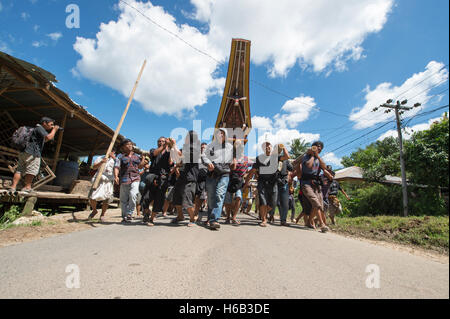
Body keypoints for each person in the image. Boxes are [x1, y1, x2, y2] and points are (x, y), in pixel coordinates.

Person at [244, 142, 290, 227]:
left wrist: (283, 147)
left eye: (269, 145)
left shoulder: (276, 157)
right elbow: (253, 171)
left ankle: (264, 213)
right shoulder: (259, 158)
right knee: (263, 201)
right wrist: (246, 182)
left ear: (271, 147)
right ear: (263, 149)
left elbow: (287, 157)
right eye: (265, 146)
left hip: (273, 183)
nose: (267, 147)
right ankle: (264, 220)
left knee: (273, 204)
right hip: (262, 182)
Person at [10, 117, 60, 193]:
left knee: (19, 170)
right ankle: (27, 187)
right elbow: (49, 137)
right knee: (31, 170)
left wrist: (51, 132)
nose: (52, 126)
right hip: (33, 153)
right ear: (44, 123)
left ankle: (13, 187)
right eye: (51, 124)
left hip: (24, 152)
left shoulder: (36, 129)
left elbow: (45, 140)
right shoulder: (40, 128)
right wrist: (55, 130)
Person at [296, 141, 333, 232]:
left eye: (320, 147)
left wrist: (317, 156)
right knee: (316, 202)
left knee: (319, 205)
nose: (319, 148)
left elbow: (324, 167)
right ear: (313, 147)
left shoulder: (319, 159)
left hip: (316, 184)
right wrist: (312, 155)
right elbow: (308, 165)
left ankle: (309, 222)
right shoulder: (306, 157)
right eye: (317, 146)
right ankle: (322, 224)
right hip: (306, 184)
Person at [201, 128, 233, 230]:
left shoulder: (230, 147)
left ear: (226, 135)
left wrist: (234, 161)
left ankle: (214, 220)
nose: (220, 135)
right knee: (210, 198)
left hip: (224, 173)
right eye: (219, 133)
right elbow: (204, 156)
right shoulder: (211, 146)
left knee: (219, 195)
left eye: (223, 134)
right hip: (212, 173)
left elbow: (233, 159)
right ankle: (211, 218)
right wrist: (208, 163)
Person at [170, 131, 201, 227]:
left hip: (190, 178)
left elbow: (181, 156)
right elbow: (180, 160)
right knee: (176, 197)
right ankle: (180, 216)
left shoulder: (194, 148)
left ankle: (192, 219)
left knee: (187, 199)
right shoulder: (186, 148)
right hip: (182, 177)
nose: (185, 138)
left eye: (186, 137)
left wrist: (174, 145)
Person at [141, 137, 173, 226]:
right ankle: (147, 212)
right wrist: (165, 145)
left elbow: (171, 163)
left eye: (163, 141)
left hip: (163, 178)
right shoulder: (153, 150)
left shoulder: (169, 152)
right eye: (159, 141)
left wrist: (170, 149)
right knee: (145, 198)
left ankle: (151, 219)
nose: (161, 142)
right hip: (152, 176)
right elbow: (154, 153)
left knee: (159, 198)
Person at [114, 139, 147, 223]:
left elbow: (140, 167)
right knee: (123, 199)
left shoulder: (137, 156)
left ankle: (129, 213)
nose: (130, 146)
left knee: (133, 195)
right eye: (127, 144)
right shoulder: (120, 156)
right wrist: (116, 176)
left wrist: (143, 159)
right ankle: (124, 216)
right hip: (124, 179)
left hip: (135, 178)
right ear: (123, 147)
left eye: (131, 144)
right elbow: (117, 167)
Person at [224, 140, 252, 225]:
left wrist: (247, 179)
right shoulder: (230, 157)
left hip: (239, 181)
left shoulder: (247, 159)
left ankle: (234, 217)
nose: (240, 148)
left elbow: (254, 169)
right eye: (237, 146)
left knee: (238, 197)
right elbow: (228, 167)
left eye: (241, 146)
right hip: (229, 180)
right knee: (228, 200)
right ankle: (228, 217)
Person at [88, 150, 116, 222]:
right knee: (92, 197)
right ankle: (94, 210)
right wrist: (101, 162)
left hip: (108, 181)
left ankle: (102, 214)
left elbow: (118, 168)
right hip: (98, 179)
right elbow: (94, 167)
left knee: (107, 199)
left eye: (113, 151)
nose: (111, 152)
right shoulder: (100, 158)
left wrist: (115, 159)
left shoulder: (115, 160)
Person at [268, 145, 292, 226]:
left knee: (285, 203)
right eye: (278, 148)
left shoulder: (286, 161)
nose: (279, 150)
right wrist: (284, 148)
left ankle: (283, 220)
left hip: (284, 183)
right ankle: (271, 216)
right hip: (275, 182)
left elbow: (291, 168)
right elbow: (287, 156)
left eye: (281, 148)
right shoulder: (273, 157)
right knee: (274, 202)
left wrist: (288, 177)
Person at [194, 142, 208, 222]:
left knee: (201, 197)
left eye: (204, 147)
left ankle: (196, 213)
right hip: (196, 178)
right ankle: (194, 213)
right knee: (196, 197)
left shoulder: (209, 157)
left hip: (205, 179)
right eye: (201, 147)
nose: (203, 148)